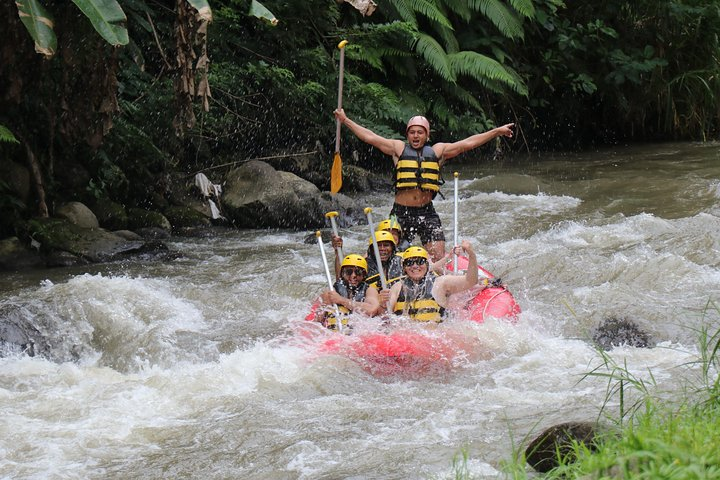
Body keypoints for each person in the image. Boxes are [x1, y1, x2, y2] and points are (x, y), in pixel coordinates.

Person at [334, 108, 514, 262]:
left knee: (438, 255)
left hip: (427, 212)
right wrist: (345, 120)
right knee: (389, 255)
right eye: (412, 132)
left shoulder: (438, 151)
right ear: (407, 135)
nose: (416, 135)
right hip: (400, 213)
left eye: (420, 132)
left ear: (427, 135)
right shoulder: (398, 148)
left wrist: (496, 132)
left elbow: (467, 144)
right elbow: (370, 137)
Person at [387, 242, 478, 323]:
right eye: (409, 263)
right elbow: (386, 314)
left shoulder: (440, 283)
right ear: (404, 268)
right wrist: (383, 304)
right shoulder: (397, 287)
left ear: (427, 265)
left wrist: (471, 254)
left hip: (434, 336)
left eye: (420, 261)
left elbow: (470, 281)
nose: (415, 266)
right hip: (405, 337)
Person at [315, 254, 380, 330]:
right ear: (343, 274)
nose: (353, 276)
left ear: (364, 275)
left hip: (359, 329)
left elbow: (372, 309)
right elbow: (317, 320)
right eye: (349, 272)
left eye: (358, 272)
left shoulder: (369, 290)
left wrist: (341, 300)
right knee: (340, 310)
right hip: (336, 329)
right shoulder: (332, 291)